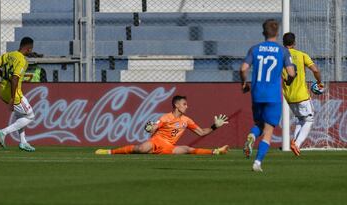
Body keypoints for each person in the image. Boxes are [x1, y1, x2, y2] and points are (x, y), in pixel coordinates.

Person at [240, 19, 296, 172]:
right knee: (269, 129)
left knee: (258, 124)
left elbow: (243, 68)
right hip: (273, 96)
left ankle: (252, 136)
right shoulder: (282, 51)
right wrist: (289, 80)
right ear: (277, 33)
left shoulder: (254, 49)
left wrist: (244, 83)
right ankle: (257, 162)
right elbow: (291, 73)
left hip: (257, 93)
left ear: (263, 32)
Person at [95, 95, 229, 155]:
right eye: (184, 104)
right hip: (156, 141)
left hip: (169, 147)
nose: (187, 106)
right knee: (141, 149)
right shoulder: (166, 117)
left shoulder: (187, 120)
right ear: (176, 105)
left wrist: (214, 126)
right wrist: (150, 127)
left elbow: (201, 133)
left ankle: (216, 151)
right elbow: (154, 127)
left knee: (187, 149)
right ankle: (109, 151)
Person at [282, 32, 323, 156]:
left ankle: (294, 141)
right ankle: (298, 144)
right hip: (301, 95)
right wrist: (319, 82)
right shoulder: (301, 55)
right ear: (294, 43)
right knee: (309, 120)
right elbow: (315, 69)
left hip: (288, 96)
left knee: (301, 119)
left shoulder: (280, 56)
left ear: (283, 43)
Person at [0, 37, 36, 152]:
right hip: (14, 94)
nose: (31, 51)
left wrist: (5, 77)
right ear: (28, 48)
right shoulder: (22, 60)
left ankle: (23, 142)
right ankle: (3, 132)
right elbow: (15, 79)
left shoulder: (8, 55)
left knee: (21, 116)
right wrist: (12, 98)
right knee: (30, 116)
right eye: (31, 49)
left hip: (3, 91)